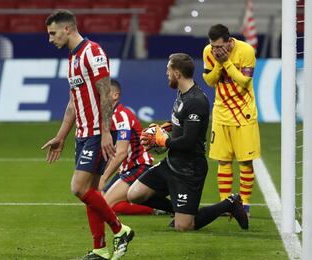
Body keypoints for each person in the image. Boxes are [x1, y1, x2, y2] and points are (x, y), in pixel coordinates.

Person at [41, 10, 134, 260]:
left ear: (67, 29)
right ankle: (100, 248)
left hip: (96, 132)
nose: (50, 39)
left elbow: (106, 93)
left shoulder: (92, 52)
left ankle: (120, 229)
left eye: (53, 33)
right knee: (92, 193)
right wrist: (61, 136)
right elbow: (73, 102)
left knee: (78, 187)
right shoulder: (72, 59)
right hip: (83, 134)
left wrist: (105, 133)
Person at [127, 53, 248, 231]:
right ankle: (182, 211)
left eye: (168, 70)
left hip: (190, 169)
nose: (166, 73)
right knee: (135, 194)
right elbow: (182, 124)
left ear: (177, 73)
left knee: (184, 226)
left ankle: (230, 203)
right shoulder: (182, 93)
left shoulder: (196, 101)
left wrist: (163, 141)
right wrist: (168, 127)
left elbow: (189, 142)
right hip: (173, 162)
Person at [202, 24, 261, 216]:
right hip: (221, 113)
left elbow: (244, 81)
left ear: (229, 41)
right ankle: (225, 205)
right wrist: (219, 63)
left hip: (244, 113)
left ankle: (244, 206)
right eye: (213, 46)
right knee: (223, 161)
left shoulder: (246, 50)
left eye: (219, 46)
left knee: (245, 162)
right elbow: (210, 81)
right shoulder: (208, 52)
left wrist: (226, 62)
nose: (216, 50)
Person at [98, 79, 156, 215]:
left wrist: (103, 178)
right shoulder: (111, 116)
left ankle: (155, 209)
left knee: (106, 206)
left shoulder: (121, 116)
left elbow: (122, 153)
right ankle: (146, 200)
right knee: (100, 201)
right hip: (126, 169)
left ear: (115, 96)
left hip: (139, 167)